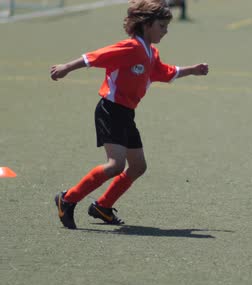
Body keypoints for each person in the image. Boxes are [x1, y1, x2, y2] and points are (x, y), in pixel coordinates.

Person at [50, 0, 209, 229]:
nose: (166, 31)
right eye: (162, 26)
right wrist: (66, 67)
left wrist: (191, 70)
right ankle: (67, 199)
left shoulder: (150, 52)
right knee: (115, 165)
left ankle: (102, 206)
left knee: (137, 166)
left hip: (126, 114)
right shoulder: (131, 47)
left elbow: (164, 73)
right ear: (147, 25)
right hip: (110, 110)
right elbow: (96, 56)